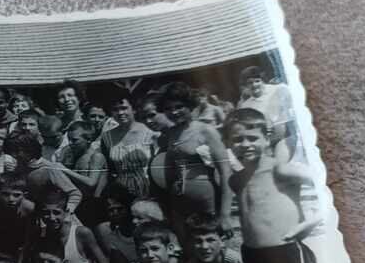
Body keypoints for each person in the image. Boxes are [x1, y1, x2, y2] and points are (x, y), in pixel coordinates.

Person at [225, 108, 323, 263]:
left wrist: (311, 221)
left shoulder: (280, 169)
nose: (245, 144)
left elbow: (330, 184)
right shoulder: (236, 179)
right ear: (228, 143)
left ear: (266, 139)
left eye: (252, 138)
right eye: (237, 139)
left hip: (286, 252)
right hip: (254, 255)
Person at [155, 82, 235, 243]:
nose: (174, 112)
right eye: (168, 108)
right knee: (188, 249)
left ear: (189, 105)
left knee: (209, 246)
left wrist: (225, 215)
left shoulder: (205, 131)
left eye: (179, 106)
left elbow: (226, 171)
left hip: (207, 202)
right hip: (179, 205)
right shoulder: (169, 134)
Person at [32, 187, 106, 263]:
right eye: (46, 213)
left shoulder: (80, 233)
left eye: (56, 212)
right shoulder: (41, 235)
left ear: (66, 212)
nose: (52, 218)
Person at [97, 87, 159, 200]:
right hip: (121, 193)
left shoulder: (149, 132)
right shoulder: (107, 137)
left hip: (150, 190)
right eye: (115, 109)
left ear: (134, 109)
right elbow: (108, 170)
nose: (120, 113)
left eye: (124, 108)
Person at [3, 133, 81, 214]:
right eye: (11, 151)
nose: (13, 155)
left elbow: (75, 193)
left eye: (17, 151)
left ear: (29, 150)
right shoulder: (18, 166)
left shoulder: (49, 169)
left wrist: (67, 211)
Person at [54, 120, 107, 225]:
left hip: (93, 204)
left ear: (89, 139)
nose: (70, 143)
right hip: (75, 202)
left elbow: (91, 183)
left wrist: (65, 169)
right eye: (69, 140)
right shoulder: (72, 153)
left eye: (75, 140)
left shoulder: (96, 157)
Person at [237, 66, 295, 150]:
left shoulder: (279, 90)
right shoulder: (246, 105)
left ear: (263, 81)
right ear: (246, 85)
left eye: (257, 81)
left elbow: (289, 118)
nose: (254, 85)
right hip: (264, 142)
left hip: (287, 135)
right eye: (250, 83)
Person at [92, 184, 139, 263]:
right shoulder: (112, 236)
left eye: (119, 209)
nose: (115, 213)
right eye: (111, 210)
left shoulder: (140, 227)